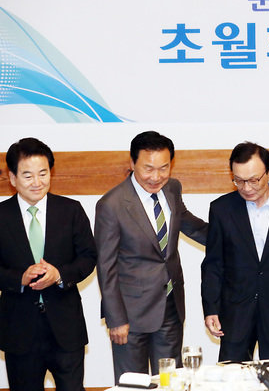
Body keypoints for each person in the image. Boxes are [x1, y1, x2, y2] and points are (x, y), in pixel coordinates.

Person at [95, 131, 207, 381]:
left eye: (163, 168)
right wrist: (116, 319)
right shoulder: (111, 205)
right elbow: (106, 266)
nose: (156, 177)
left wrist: (233, 239)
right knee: (132, 383)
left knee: (170, 381)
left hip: (170, 307)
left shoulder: (173, 188)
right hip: (130, 316)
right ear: (132, 163)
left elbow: (191, 225)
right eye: (148, 168)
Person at [0, 138, 97, 391]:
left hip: (66, 329)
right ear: (12, 178)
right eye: (28, 175)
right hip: (19, 331)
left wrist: (59, 274)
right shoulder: (1, 215)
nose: (37, 182)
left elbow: (88, 257)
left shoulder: (71, 210)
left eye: (43, 173)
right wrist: (19, 278)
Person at [201, 142, 269, 361]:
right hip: (235, 313)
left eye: (253, 180)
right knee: (231, 375)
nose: (246, 188)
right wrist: (211, 308)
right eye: (239, 180)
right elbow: (213, 264)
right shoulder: (221, 209)